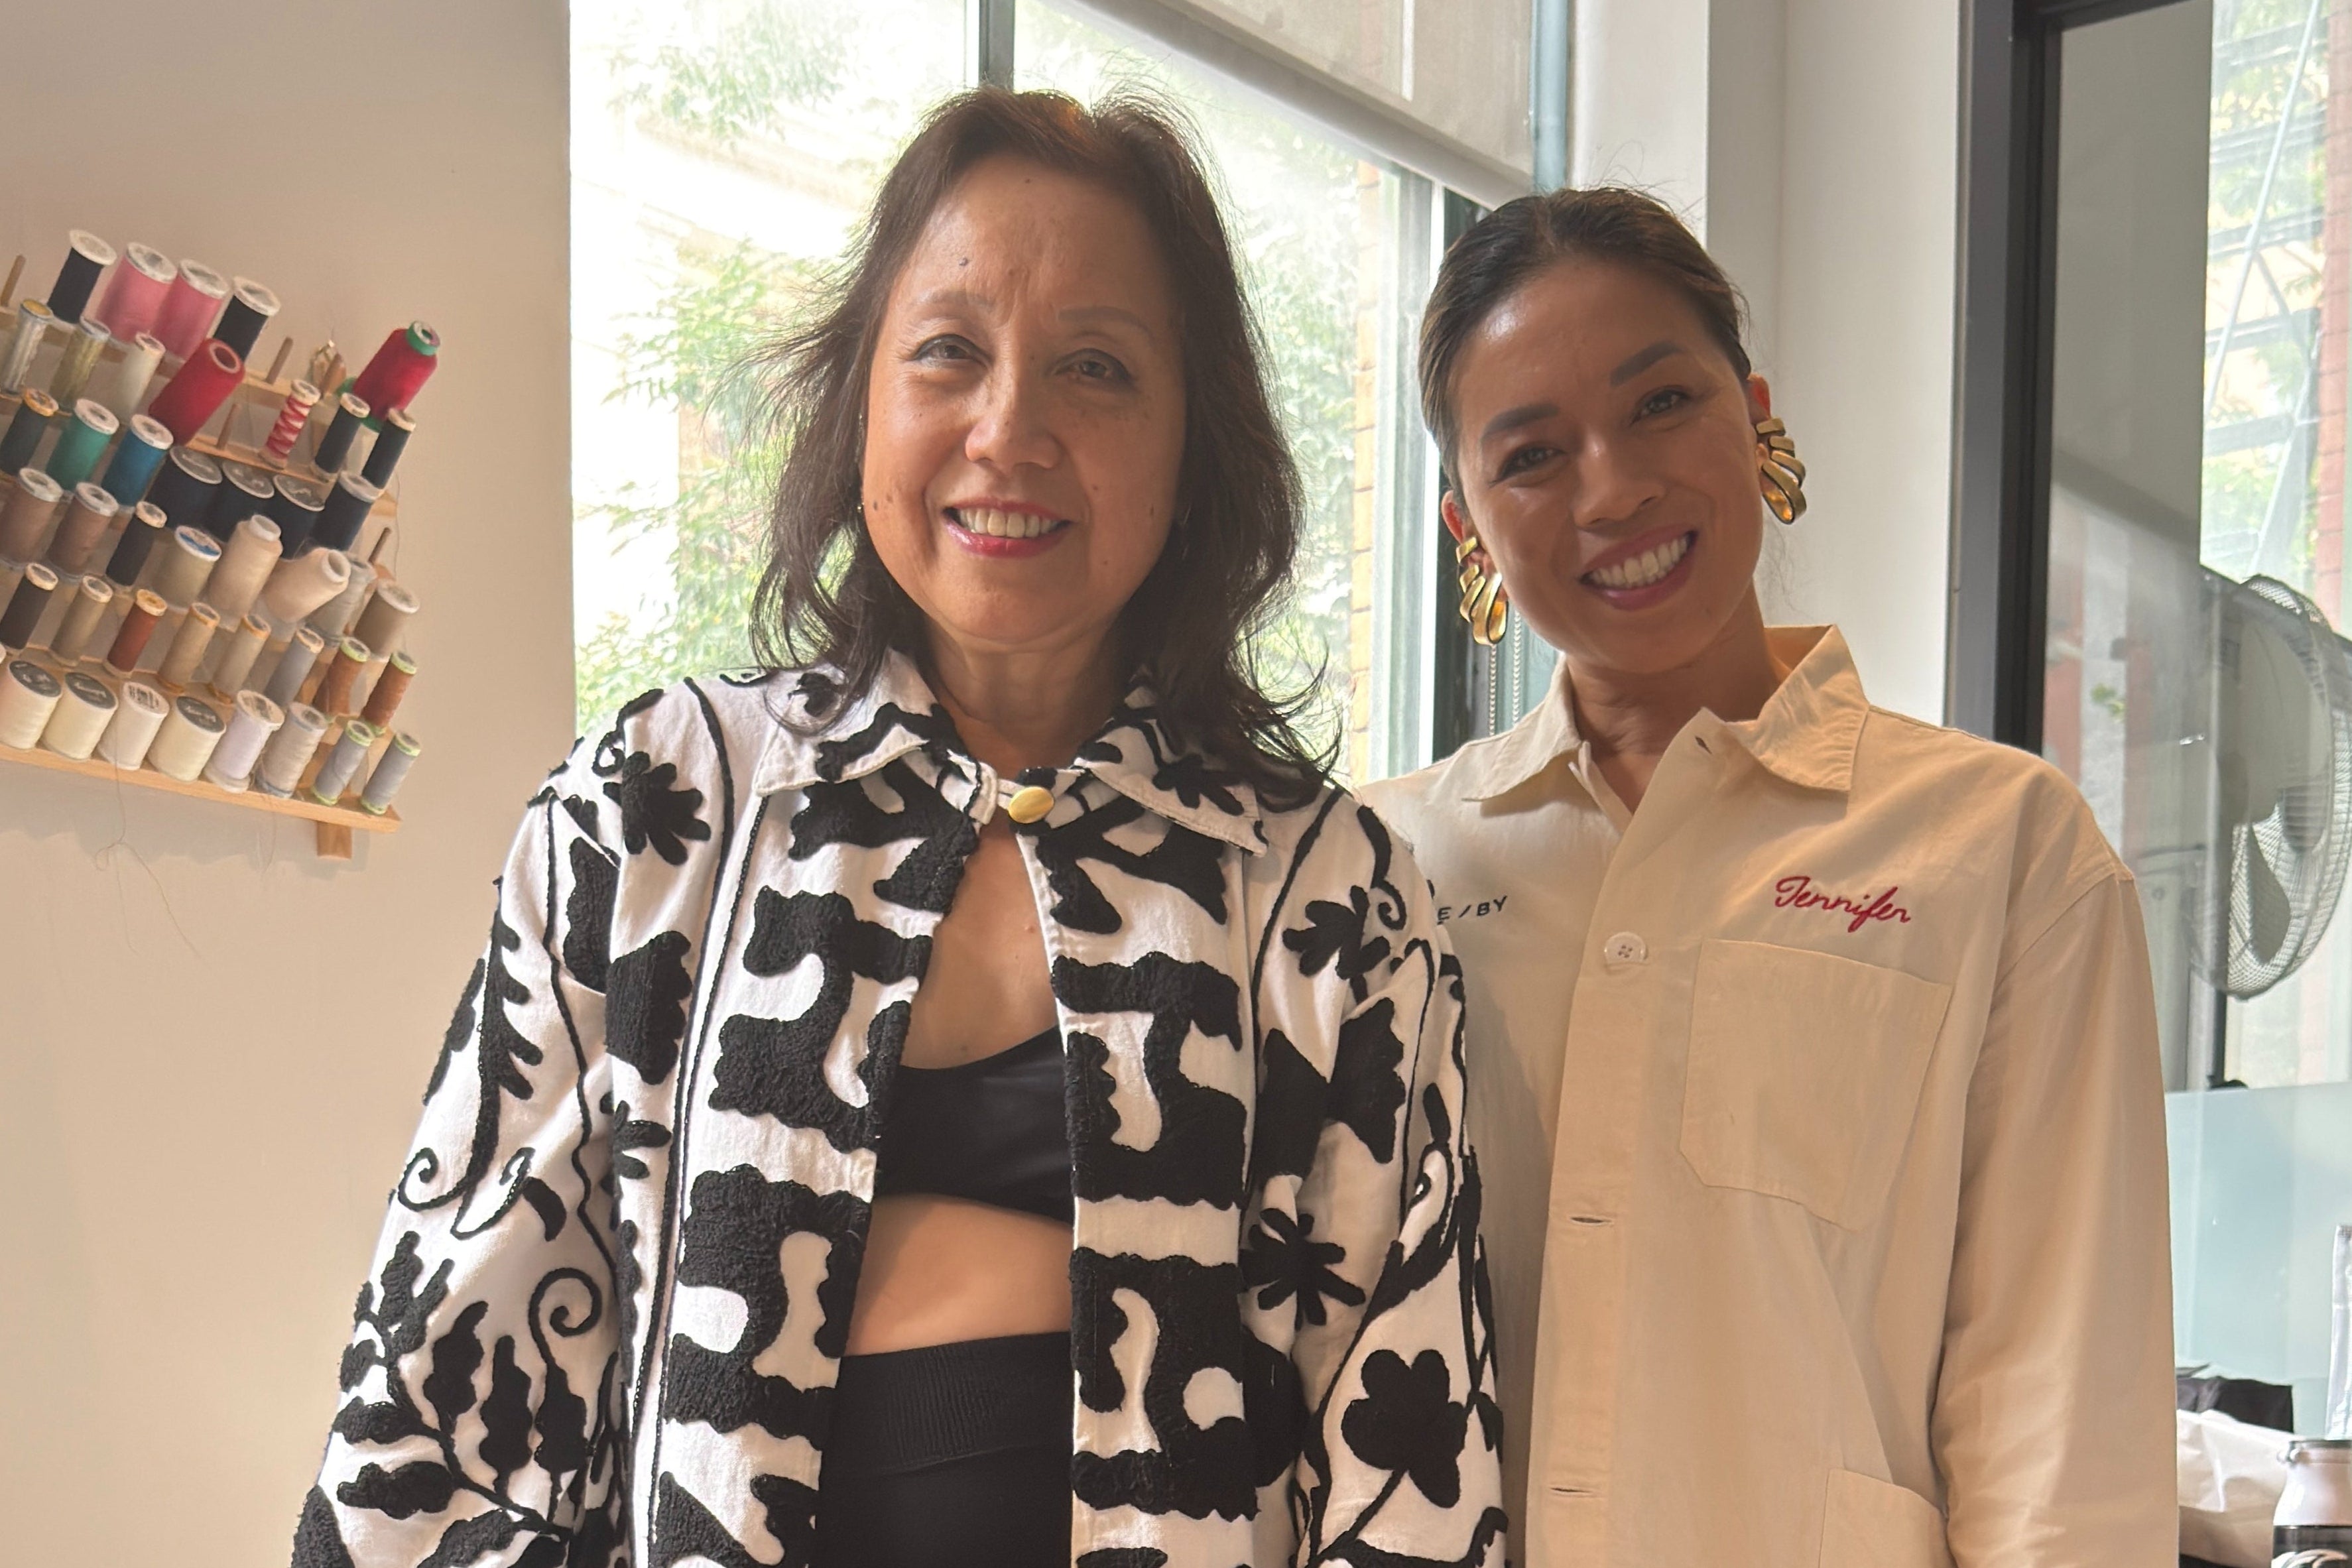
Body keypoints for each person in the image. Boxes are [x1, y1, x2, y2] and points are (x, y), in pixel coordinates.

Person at [290, 90, 1503, 1568]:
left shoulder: (1324, 891)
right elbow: (431, 1415)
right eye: (947, 352)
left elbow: (1413, 1469)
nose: (1011, 429)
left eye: (1097, 369)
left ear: (1194, 450)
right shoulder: (653, 805)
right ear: (859, 396)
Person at [1358, 186, 2174, 1567]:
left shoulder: (2000, 850)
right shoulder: (1379, 868)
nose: (1612, 488)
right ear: (1467, 532)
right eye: (1534, 454)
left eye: (1660, 403)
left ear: (1753, 412)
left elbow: (2059, 1423)